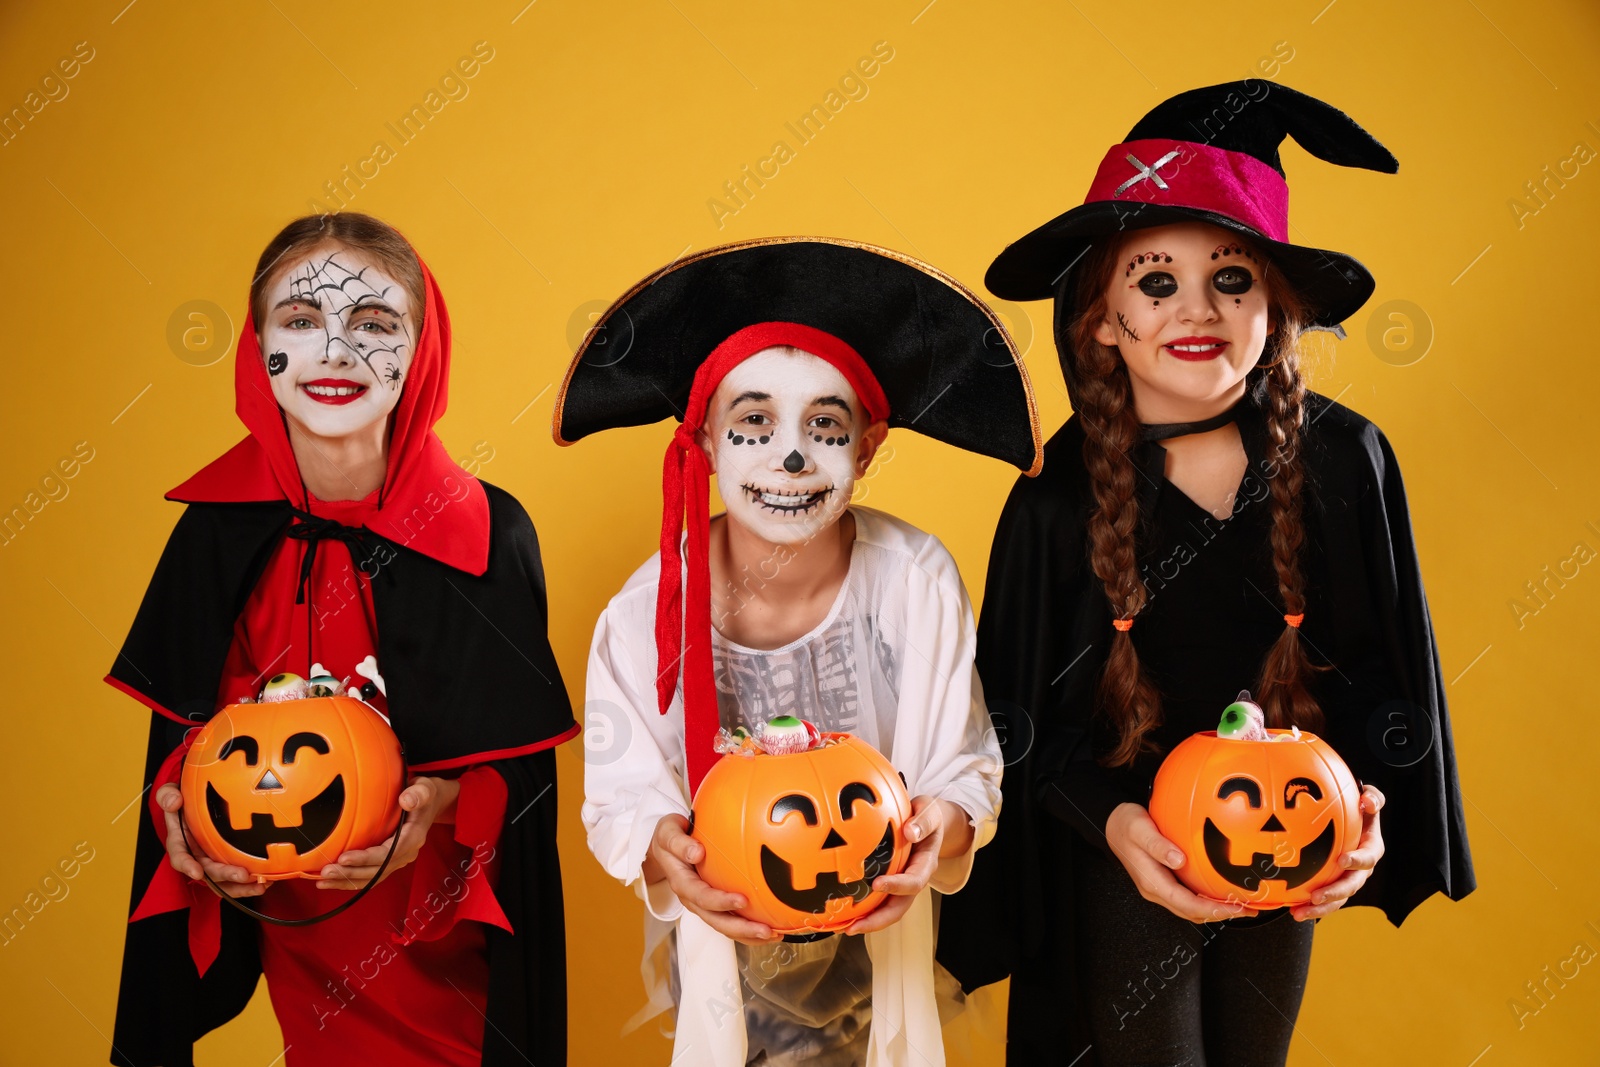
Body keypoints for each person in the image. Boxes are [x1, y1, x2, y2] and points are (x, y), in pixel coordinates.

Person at [936, 83, 1475, 1066]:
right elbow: (1013, 723)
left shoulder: (1345, 463)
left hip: (1279, 829)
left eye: (1231, 278)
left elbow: (1376, 675)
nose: (1199, 308)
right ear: (1098, 318)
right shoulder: (1054, 501)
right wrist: (1116, 823)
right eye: (1155, 281)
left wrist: (1360, 803)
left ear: (1276, 305)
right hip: (1118, 848)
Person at [106, 212, 577, 1066]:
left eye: (373, 325)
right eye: (301, 321)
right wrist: (177, 817)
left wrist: (430, 807)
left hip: (440, 941)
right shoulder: (218, 534)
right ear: (258, 349)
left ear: (420, 351)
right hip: (295, 915)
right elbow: (182, 736)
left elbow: (518, 773)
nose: (334, 352)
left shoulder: (483, 530)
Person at [560, 237, 1042, 1066]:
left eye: (824, 426)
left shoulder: (914, 583)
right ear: (705, 441)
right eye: (754, 423)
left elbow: (967, 762)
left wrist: (943, 824)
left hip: (878, 929)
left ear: (869, 445)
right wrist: (658, 840)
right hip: (725, 940)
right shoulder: (646, 609)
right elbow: (620, 788)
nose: (790, 458)